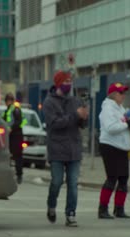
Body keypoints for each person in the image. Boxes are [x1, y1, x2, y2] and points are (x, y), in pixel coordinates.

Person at [43, 70, 88, 227]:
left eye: (71, 81)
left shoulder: (75, 101)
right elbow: (54, 124)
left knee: (73, 183)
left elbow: (80, 124)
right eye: (66, 81)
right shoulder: (49, 102)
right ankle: (51, 206)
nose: (69, 84)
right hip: (57, 149)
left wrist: (83, 117)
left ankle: (70, 213)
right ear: (58, 83)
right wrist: (75, 116)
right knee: (56, 181)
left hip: (74, 149)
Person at [97, 83, 130, 219]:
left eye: (124, 93)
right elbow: (110, 127)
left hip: (121, 146)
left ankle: (119, 209)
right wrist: (127, 125)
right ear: (113, 94)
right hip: (110, 146)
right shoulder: (108, 108)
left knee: (124, 178)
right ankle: (102, 209)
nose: (123, 95)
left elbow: (125, 121)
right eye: (120, 93)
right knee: (112, 178)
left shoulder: (120, 108)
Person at [2, 92, 27, 184]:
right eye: (7, 100)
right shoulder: (7, 110)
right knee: (9, 156)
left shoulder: (16, 110)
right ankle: (9, 175)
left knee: (18, 156)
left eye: (9, 100)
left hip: (16, 136)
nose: (8, 102)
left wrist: (11, 128)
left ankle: (19, 175)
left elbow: (20, 122)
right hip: (10, 136)